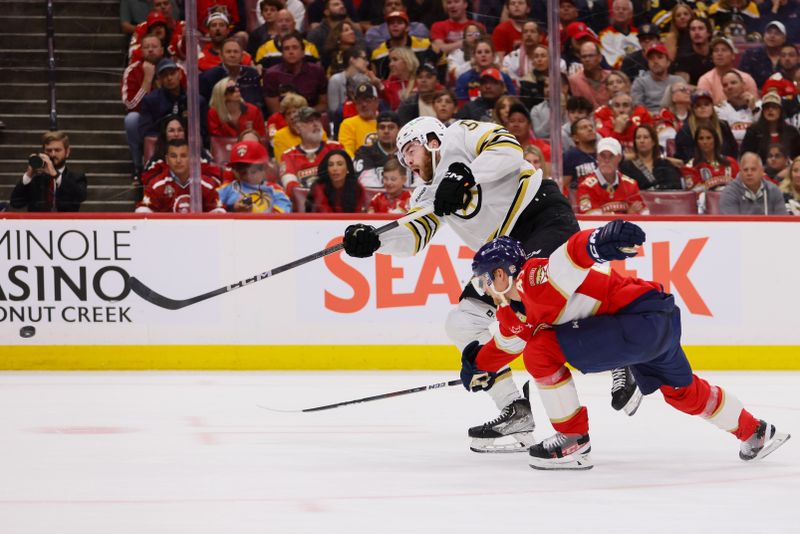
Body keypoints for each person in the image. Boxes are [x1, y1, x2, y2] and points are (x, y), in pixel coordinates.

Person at [341, 116, 641, 453]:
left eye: (410, 150)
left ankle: (620, 358)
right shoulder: (427, 192)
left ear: (431, 140)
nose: (408, 162)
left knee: (542, 303)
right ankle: (514, 409)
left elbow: (509, 150)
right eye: (402, 158)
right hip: (502, 253)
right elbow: (414, 235)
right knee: (463, 321)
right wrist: (375, 242)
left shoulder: (459, 134)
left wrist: (465, 174)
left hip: (540, 216)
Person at [469, 222, 790, 470]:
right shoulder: (511, 314)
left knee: (540, 350)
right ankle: (756, 432)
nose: (484, 289)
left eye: (484, 280)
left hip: (638, 321)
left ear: (502, 272)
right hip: (656, 324)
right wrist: (476, 366)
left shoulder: (534, 278)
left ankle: (573, 439)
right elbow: (504, 346)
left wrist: (596, 242)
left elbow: (568, 256)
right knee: (682, 393)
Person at [136, 139, 226, 213]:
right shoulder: (156, 186)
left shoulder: (207, 185)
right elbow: (142, 212)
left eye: (183, 156)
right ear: (167, 160)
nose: (178, 160)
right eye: (173, 156)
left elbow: (219, 212)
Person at [138, 58, 210, 147]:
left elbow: (203, 132)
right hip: (161, 146)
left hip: (190, 146)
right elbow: (146, 132)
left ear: (180, 74)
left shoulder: (196, 101)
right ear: (159, 80)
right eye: (164, 75)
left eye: (172, 73)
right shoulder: (150, 100)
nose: (169, 78)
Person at [11, 131, 87, 212]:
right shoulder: (36, 178)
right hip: (38, 223)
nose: (53, 154)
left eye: (57, 150)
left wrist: (56, 175)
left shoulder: (77, 177)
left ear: (67, 152)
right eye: (49, 150)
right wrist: (28, 175)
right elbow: (16, 203)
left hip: (65, 224)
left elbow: (80, 197)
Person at [122, 34, 165, 178]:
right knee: (131, 119)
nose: (150, 50)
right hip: (144, 118)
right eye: (146, 47)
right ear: (141, 51)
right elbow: (130, 105)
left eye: (154, 47)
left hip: (169, 117)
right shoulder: (132, 70)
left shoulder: (173, 68)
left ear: (162, 50)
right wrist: (147, 80)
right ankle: (137, 165)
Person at [576, 137, 649, 214]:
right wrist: (628, 215)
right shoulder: (586, 187)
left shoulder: (631, 185)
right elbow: (590, 219)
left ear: (619, 158)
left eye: (611, 156)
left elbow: (644, 213)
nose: (606, 160)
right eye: (602, 156)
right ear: (597, 157)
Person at [280, 107, 344, 193]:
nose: (315, 124)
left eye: (317, 120)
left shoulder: (335, 147)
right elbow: (291, 187)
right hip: (306, 202)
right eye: (309, 121)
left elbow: (349, 176)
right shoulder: (289, 156)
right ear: (298, 128)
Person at [262, 31, 328, 115]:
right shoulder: (271, 75)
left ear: (303, 52)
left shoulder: (317, 71)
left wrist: (305, 114)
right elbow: (275, 111)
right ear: (282, 53)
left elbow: (323, 104)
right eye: (286, 48)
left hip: (311, 117)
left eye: (295, 47)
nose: (291, 52)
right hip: (283, 120)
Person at [218, 140, 292, 213]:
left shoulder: (275, 190)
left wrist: (254, 214)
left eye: (253, 172)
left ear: (264, 169)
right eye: (242, 173)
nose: (248, 176)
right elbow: (212, 207)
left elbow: (281, 217)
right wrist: (233, 209)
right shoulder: (228, 188)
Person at [370, 10, 440, 82]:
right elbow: (378, 78)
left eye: (399, 23)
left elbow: (441, 61)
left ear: (407, 28)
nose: (395, 25)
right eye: (392, 23)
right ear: (388, 28)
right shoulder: (378, 53)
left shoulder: (424, 45)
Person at [199, 38, 263, 112]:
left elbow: (258, 103)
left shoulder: (252, 73)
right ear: (221, 56)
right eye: (228, 52)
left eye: (236, 52)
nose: (232, 55)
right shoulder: (209, 77)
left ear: (242, 56)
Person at [674, 89, 738, 163]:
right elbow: (685, 158)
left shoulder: (723, 126)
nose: (703, 107)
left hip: (724, 166)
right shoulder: (685, 131)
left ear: (712, 106)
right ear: (693, 109)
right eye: (698, 105)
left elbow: (734, 150)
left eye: (706, 104)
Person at [720, 152, 788, 215]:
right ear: (740, 172)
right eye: (745, 170)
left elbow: (783, 221)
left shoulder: (774, 190)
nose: (749, 173)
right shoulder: (729, 192)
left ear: (762, 171)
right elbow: (731, 224)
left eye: (753, 169)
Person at [697, 36, 759, 105]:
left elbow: (755, 105)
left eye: (724, 50)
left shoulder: (747, 79)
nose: (719, 54)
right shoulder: (705, 80)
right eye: (716, 50)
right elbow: (704, 109)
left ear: (733, 55)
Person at [681, 125, 739, 197]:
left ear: (715, 140)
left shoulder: (731, 162)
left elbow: (741, 188)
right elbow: (693, 193)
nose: (705, 142)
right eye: (701, 138)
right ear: (697, 142)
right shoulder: (690, 167)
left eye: (709, 138)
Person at [740, 92, 800, 162]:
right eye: (767, 107)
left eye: (774, 107)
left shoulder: (792, 132)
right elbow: (745, 156)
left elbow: (797, 157)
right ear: (763, 111)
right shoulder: (753, 132)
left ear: (780, 111)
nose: (770, 110)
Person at [619, 124, 683, 190]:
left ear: (653, 142)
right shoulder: (627, 167)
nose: (642, 141)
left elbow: (676, 187)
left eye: (646, 137)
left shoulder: (665, 164)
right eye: (638, 138)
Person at [454, 39, 516, 104]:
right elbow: (460, 104)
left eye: (487, 52)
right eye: (479, 52)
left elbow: (513, 102)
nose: (483, 55)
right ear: (474, 56)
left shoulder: (503, 77)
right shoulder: (464, 78)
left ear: (494, 56)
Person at [255, 9, 320, 70]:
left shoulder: (310, 48)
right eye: (280, 21)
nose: (284, 24)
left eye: (287, 20)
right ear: (275, 26)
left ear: (294, 25)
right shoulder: (264, 49)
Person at [354, 111, 406, 187]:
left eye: (391, 127)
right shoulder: (364, 152)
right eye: (382, 127)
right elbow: (367, 182)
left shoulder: (409, 152)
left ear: (399, 130)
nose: (386, 131)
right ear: (377, 130)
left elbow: (420, 181)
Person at [631, 43, 685, 115]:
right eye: (651, 58)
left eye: (660, 57)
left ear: (668, 62)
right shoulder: (640, 82)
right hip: (648, 120)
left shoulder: (678, 81)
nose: (655, 61)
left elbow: (683, 106)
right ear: (648, 63)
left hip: (674, 118)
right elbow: (637, 108)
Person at [363, 0, 430, 51]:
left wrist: (390, 41)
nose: (393, 6)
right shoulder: (374, 31)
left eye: (397, 4)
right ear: (384, 11)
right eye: (389, 5)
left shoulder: (418, 27)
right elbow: (375, 47)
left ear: (404, 9)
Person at [738, 20, 788, 88]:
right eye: (769, 32)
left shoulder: (788, 56)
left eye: (777, 33)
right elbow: (742, 78)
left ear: (784, 39)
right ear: (764, 36)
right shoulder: (751, 55)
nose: (772, 36)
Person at [338, 82, 379, 158]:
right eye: (359, 102)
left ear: (376, 102)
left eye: (368, 100)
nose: (363, 105)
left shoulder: (386, 122)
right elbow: (347, 152)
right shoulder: (348, 124)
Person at [568, 41, 611, 108]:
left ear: (599, 58)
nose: (587, 59)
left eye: (591, 56)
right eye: (584, 57)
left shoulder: (611, 77)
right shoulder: (573, 80)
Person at [598, 0, 639, 69]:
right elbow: (612, 62)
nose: (620, 11)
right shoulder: (605, 35)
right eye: (617, 9)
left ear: (631, 14)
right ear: (613, 12)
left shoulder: (638, 33)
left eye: (624, 9)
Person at [672, 17, 713, 86]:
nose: (696, 32)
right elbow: (682, 86)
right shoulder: (683, 58)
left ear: (708, 33)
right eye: (693, 29)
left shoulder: (716, 54)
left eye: (700, 28)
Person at [563, 117, 599, 192]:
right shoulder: (570, 156)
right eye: (584, 127)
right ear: (575, 138)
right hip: (581, 198)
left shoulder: (603, 152)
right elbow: (564, 186)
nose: (590, 129)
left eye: (591, 126)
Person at [379, 46, 420, 111]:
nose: (390, 64)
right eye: (390, 61)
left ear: (407, 61)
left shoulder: (421, 82)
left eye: (395, 59)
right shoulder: (387, 86)